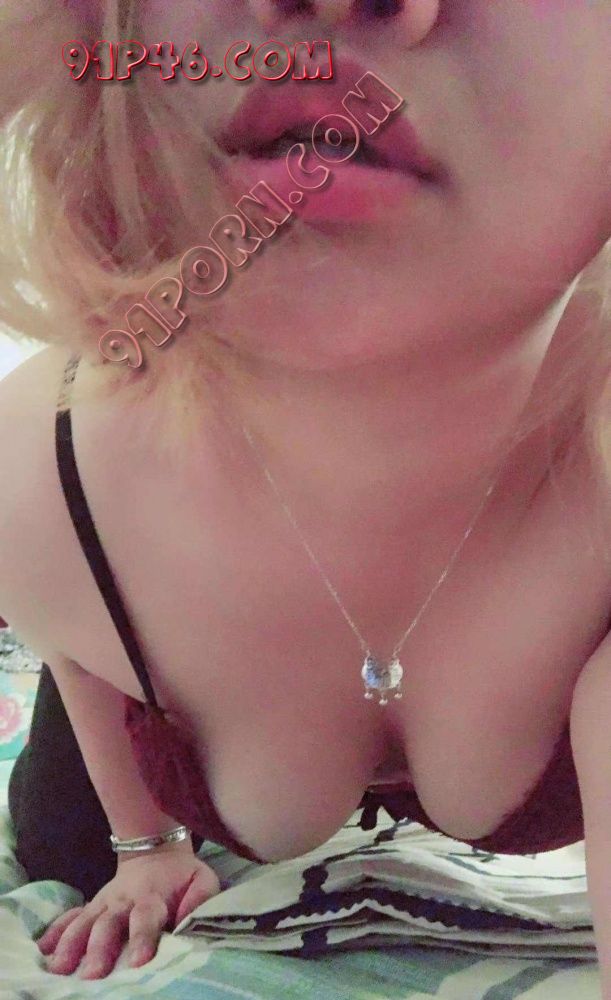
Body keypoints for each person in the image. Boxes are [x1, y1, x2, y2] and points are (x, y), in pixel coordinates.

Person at [0, 0, 610, 988]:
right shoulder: (39, 468)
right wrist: (144, 846)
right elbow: (66, 617)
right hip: (132, 664)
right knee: (62, 848)